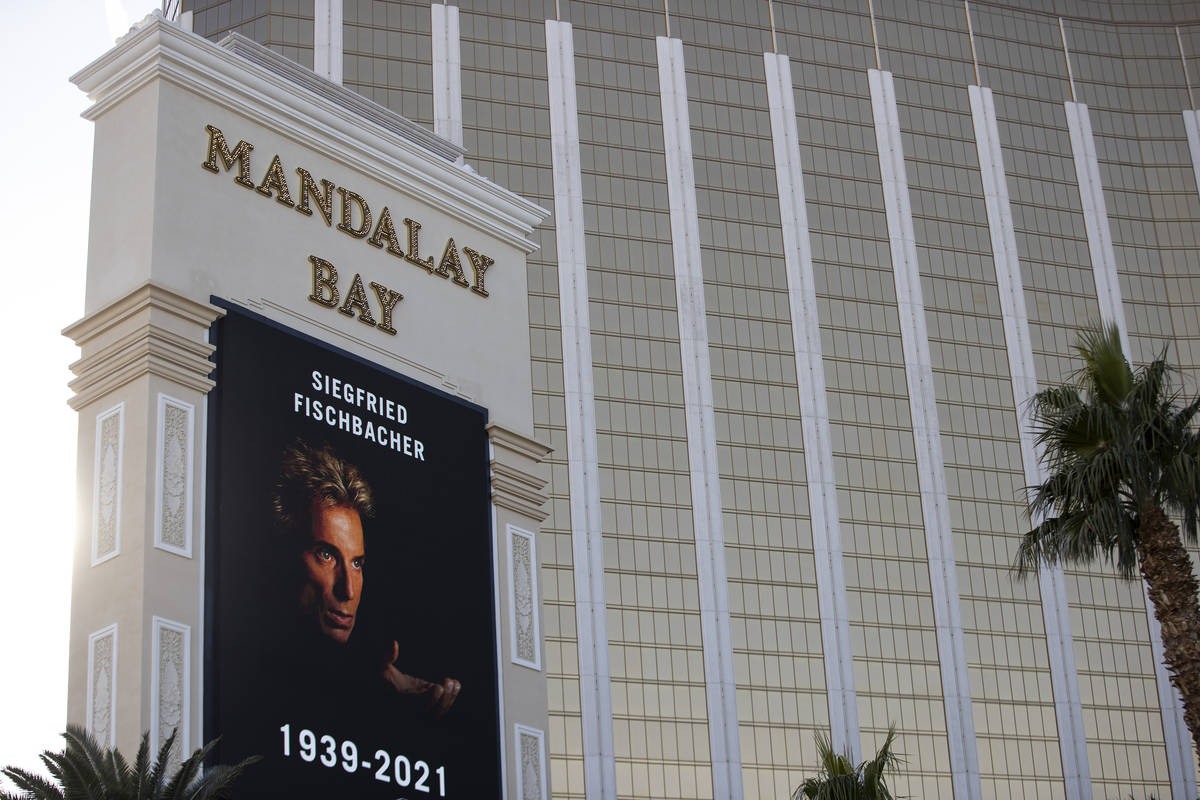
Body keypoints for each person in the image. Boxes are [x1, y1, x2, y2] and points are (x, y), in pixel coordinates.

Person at [272, 439, 460, 716]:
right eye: (326, 555)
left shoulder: (362, 679)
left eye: (357, 563)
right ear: (284, 553)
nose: (348, 590)